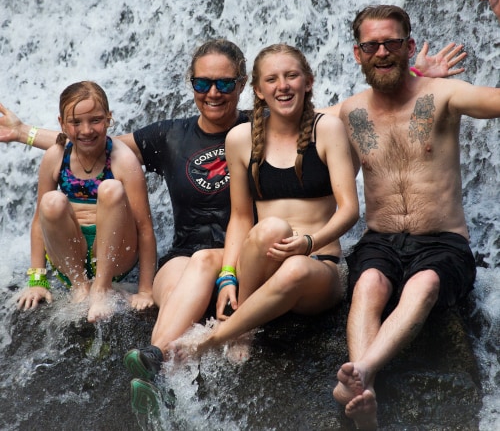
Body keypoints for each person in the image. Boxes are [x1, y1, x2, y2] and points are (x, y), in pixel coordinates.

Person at [0, 39, 249, 413]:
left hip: (240, 254)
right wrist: (24, 133)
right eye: (202, 83)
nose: (213, 92)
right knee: (184, 279)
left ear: (243, 84)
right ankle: (156, 376)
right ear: (191, 84)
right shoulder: (170, 135)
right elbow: (91, 142)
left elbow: (314, 118)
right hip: (184, 255)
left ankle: (161, 363)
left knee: (205, 269)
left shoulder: (260, 128)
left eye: (225, 84)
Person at [325, 5, 500, 431]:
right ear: (357, 53)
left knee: (424, 284)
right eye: (372, 45)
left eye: (392, 43)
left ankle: (361, 376)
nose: (382, 52)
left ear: (410, 46)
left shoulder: (441, 96)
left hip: (442, 242)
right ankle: (365, 399)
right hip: (380, 241)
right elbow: (282, 125)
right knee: (367, 284)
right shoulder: (349, 114)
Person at [171, 43, 359, 366]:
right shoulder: (240, 139)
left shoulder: (327, 130)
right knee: (270, 227)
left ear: (308, 81)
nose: (282, 86)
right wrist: (228, 276)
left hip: (319, 265)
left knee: (296, 266)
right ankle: (236, 325)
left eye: (291, 76)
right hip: (262, 263)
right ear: (257, 90)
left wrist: (310, 242)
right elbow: (241, 217)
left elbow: (349, 209)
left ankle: (223, 334)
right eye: (271, 79)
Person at [17, 81, 157, 323]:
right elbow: (39, 222)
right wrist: (37, 281)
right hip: (70, 257)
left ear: (109, 118)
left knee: (111, 189)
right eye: (75, 122)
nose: (86, 130)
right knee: (51, 202)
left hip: (115, 257)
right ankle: (80, 287)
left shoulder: (123, 159)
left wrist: (145, 290)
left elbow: (144, 228)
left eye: (95, 120)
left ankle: (101, 288)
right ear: (61, 123)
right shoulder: (56, 157)